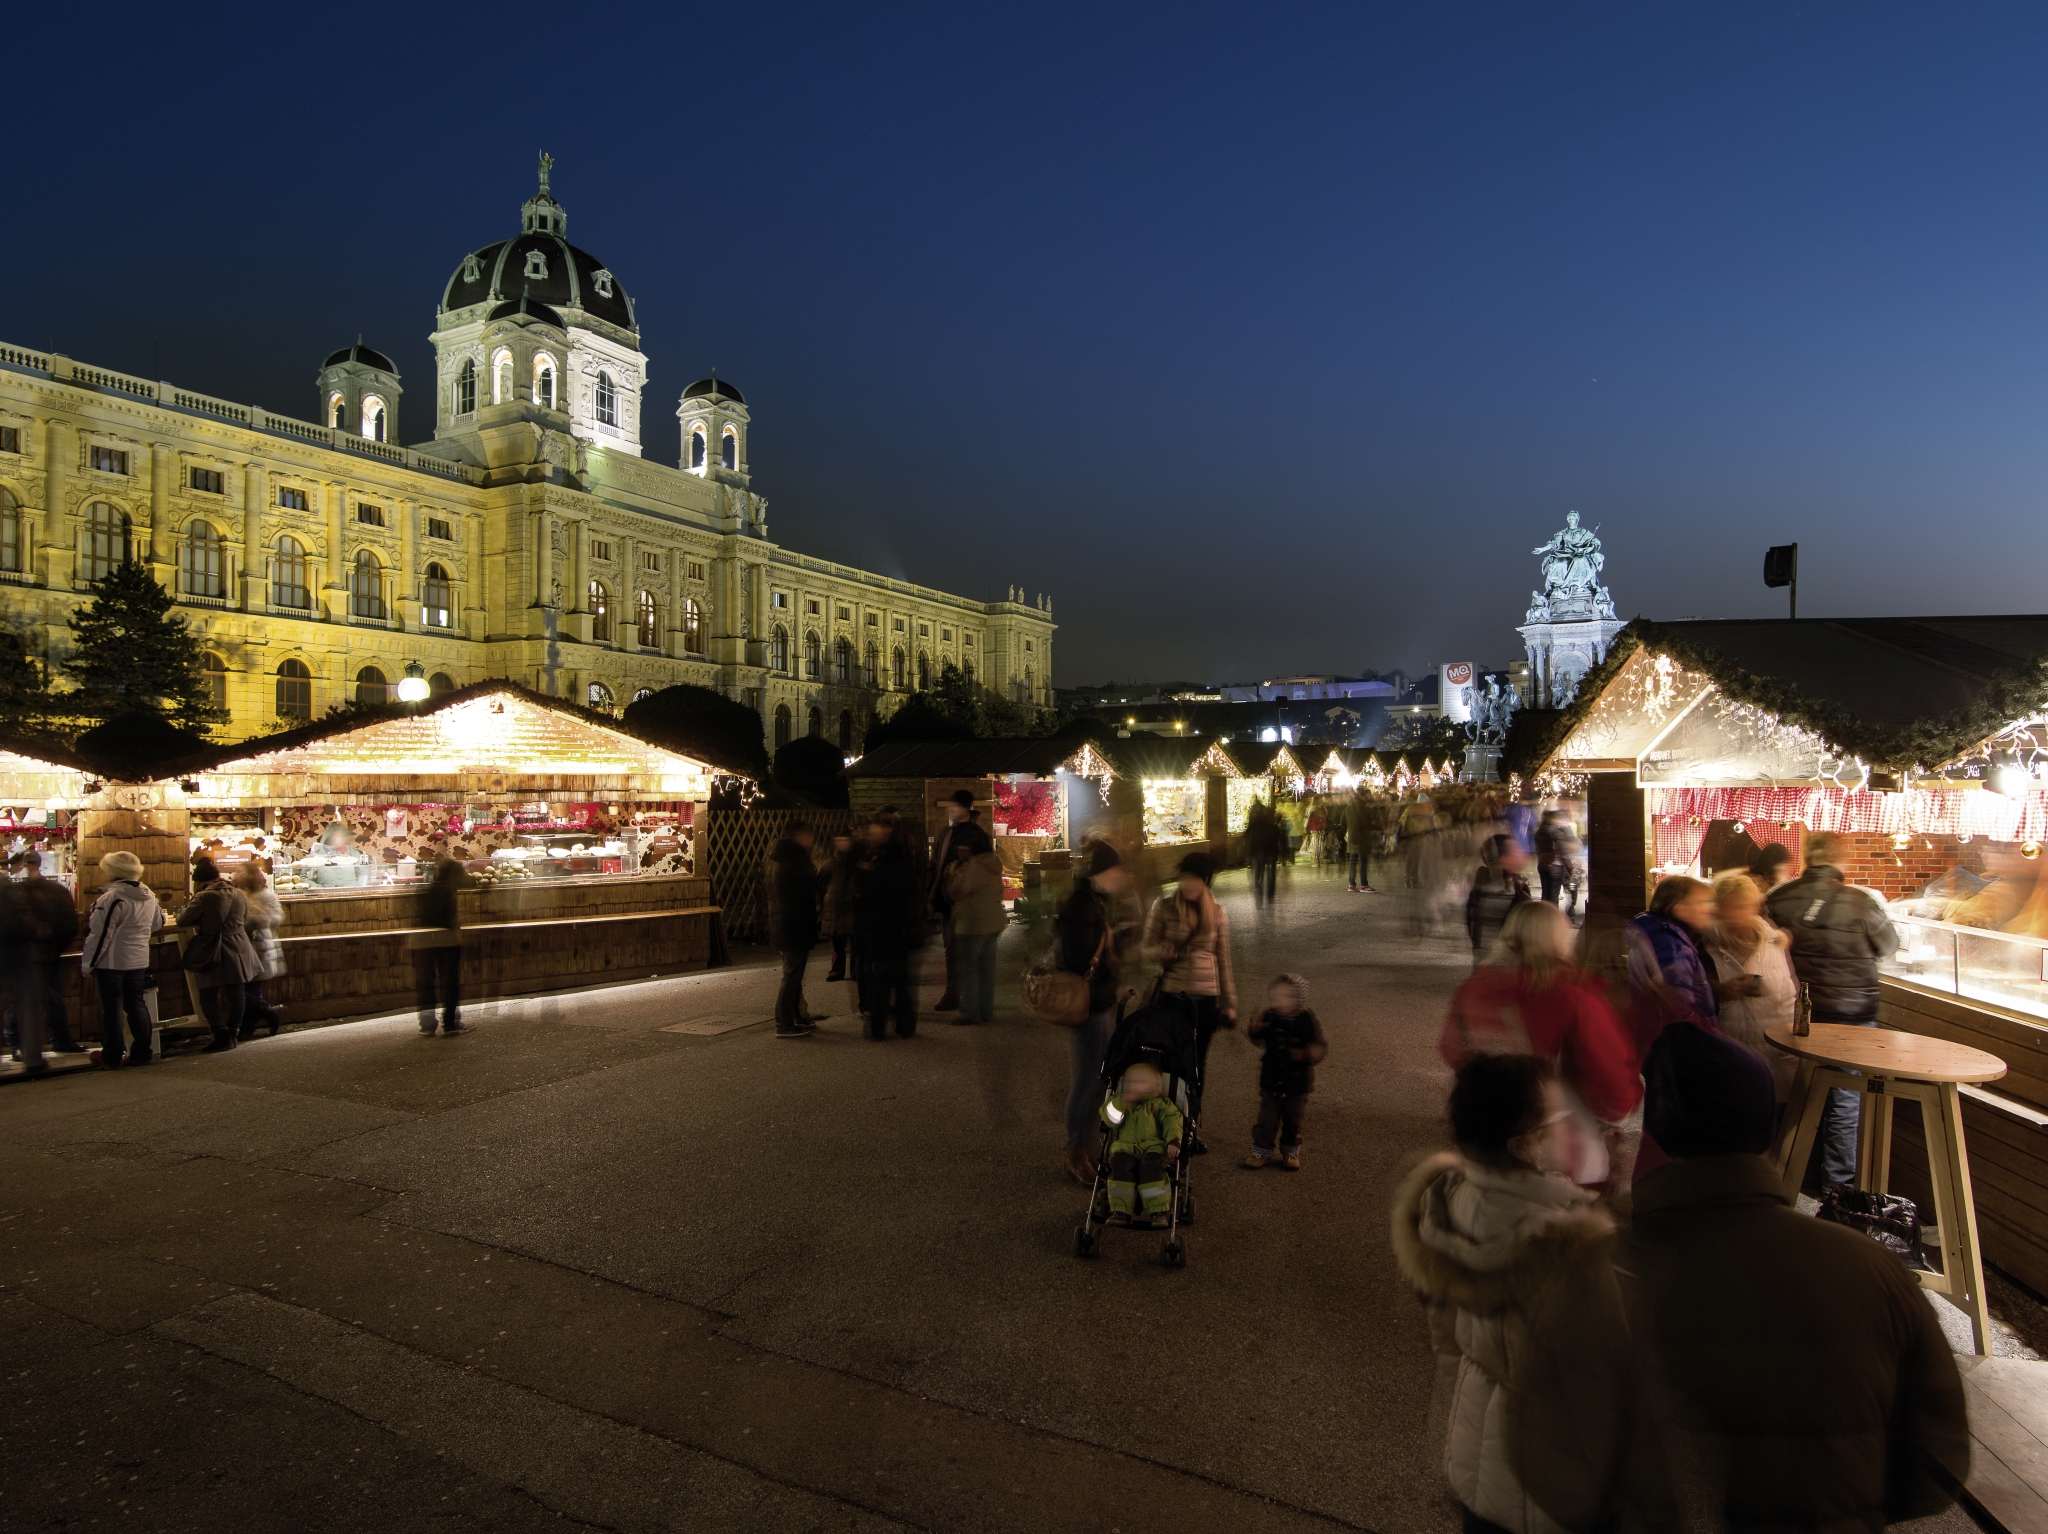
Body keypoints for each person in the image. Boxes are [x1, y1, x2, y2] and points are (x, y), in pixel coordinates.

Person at [1622, 1019, 1966, 1529]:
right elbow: (1939, 1457)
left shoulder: (1610, 1266)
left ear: (1663, 1128)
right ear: (1766, 1126)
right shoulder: (1874, 1269)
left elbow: (1553, 1458)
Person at [1391, 1054, 1616, 1534]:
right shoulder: (1567, 1241)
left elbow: (1447, 1341)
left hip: (1476, 1455)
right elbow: (1597, 1377)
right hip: (1549, 1475)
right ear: (1522, 1145)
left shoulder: (1446, 1204)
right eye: (1556, 1120)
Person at [1440, 899, 1642, 1186]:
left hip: (1488, 1126)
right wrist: (1615, 1113)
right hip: (1554, 1129)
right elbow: (1608, 1067)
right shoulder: (1573, 995)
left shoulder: (1474, 988)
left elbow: (1451, 1046)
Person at [1765, 831, 1899, 1186]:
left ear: (1807, 857)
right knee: (1844, 1099)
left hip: (1796, 1011)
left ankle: (1790, 1175)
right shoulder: (1861, 901)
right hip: (1850, 1016)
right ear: (1841, 859)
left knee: (1799, 1092)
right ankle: (1836, 1187)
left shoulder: (1778, 896)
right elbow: (1889, 944)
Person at [1142, 851, 1237, 1134]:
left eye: (1195, 879)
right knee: (1169, 1061)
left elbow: (1224, 960)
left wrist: (1230, 1002)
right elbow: (1143, 948)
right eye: (1185, 877)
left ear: (1205, 882)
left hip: (1206, 1000)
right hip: (1173, 996)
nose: (1188, 884)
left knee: (1196, 1065)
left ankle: (1191, 1125)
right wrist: (1158, 951)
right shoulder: (1164, 907)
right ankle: (1166, 1124)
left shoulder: (1216, 912)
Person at [1057, 841, 1130, 1183]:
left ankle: (1085, 1146)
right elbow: (1078, 956)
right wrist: (1112, 942)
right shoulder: (1080, 906)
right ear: (1102, 873)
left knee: (1100, 1076)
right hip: (1087, 1004)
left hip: (1100, 1001)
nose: (1122, 877)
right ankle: (1075, 1152)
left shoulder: (1094, 903)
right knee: (1087, 1078)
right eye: (1117, 871)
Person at [1701, 869, 1798, 1107]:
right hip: (1728, 1053)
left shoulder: (1773, 943)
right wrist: (1720, 992)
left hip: (1773, 1052)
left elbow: (1788, 996)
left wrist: (1789, 1048)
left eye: (1743, 906)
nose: (1736, 914)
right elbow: (1689, 999)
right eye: (1730, 907)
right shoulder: (1704, 945)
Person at [81, 851, 164, 1068]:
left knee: (113, 1009)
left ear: (112, 872)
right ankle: (142, 1051)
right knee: (136, 1004)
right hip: (138, 959)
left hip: (112, 962)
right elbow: (158, 923)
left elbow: (100, 935)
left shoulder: (112, 898)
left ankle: (111, 1055)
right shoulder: (148, 894)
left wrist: (88, 964)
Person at [1242, 974, 1326, 1171]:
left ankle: (1290, 1152)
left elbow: (1318, 1046)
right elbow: (1259, 1037)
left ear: (1298, 999)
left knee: (1293, 1121)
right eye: (1275, 997)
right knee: (1266, 1120)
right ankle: (1262, 1151)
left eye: (1285, 997)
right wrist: (1254, 1030)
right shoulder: (1270, 1016)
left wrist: (1307, 1053)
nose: (1279, 1002)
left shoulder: (1305, 1019)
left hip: (1296, 1084)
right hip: (1271, 1080)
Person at [176, 857, 259, 1053]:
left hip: (213, 947)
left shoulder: (204, 896)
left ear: (201, 882)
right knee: (236, 993)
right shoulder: (239, 894)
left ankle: (220, 1033)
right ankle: (233, 1032)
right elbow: (245, 920)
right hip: (239, 946)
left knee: (206, 995)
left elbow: (182, 920)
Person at [853, 813, 922, 1040]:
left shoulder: (879, 868)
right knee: (901, 981)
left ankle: (877, 1028)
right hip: (902, 927)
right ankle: (905, 1026)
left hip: (882, 929)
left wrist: (864, 877)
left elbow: (868, 899)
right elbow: (913, 892)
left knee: (881, 981)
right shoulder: (904, 865)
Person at [1625, 874, 1719, 1041]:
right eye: (1703, 903)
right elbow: (1679, 1012)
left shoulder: (1658, 937)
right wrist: (1713, 1040)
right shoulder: (1673, 948)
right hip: (1686, 1046)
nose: (1711, 909)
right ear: (1680, 910)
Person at [11, 852, 81, 1056]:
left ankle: (17, 1046)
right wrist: (56, 946)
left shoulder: (17, 891)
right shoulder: (56, 890)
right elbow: (70, 924)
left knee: (19, 1001)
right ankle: (60, 1040)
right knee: (53, 1000)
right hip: (49, 953)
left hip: (24, 955)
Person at [1099, 1061, 1184, 1228]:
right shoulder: (1119, 1102)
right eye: (1131, 1081)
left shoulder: (1162, 1104)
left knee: (1152, 1166)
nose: (1134, 1086)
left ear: (1155, 1087)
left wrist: (1173, 1141)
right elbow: (1110, 1120)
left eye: (1141, 1082)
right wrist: (1122, 1102)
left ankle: (1158, 1211)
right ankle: (1120, 1210)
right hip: (1125, 1146)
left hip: (1153, 1147)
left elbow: (1173, 1123)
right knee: (1118, 1164)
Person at [943, 820, 1003, 1025]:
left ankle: (970, 1012)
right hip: (993, 922)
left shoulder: (972, 868)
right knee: (987, 970)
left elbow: (955, 891)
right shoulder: (992, 863)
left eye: (961, 849)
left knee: (968, 970)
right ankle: (986, 1010)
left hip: (973, 923)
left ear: (968, 851)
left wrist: (951, 874)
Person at [766, 821, 820, 1039]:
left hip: (783, 922)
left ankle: (795, 1017)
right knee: (792, 974)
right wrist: (825, 869)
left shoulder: (777, 857)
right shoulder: (794, 858)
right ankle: (785, 1023)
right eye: (808, 835)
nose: (812, 839)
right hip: (794, 923)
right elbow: (812, 882)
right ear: (799, 836)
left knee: (793, 973)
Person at [928, 788, 979, 1011]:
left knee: (966, 949)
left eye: (954, 805)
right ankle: (953, 993)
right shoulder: (946, 833)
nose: (951, 809)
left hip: (966, 902)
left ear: (964, 808)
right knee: (950, 948)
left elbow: (980, 870)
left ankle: (966, 995)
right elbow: (934, 864)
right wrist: (932, 890)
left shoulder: (976, 836)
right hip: (945, 900)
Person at [411, 857, 469, 1036]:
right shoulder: (449, 890)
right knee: (449, 983)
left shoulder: (428, 889)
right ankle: (450, 1024)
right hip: (446, 940)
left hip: (421, 942)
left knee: (425, 984)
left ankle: (427, 1026)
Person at [233, 861, 286, 1039]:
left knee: (251, 987)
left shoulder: (265, 895)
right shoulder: (235, 894)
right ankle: (268, 1012)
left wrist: (256, 914)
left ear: (251, 874)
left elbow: (277, 918)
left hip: (259, 946)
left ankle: (247, 1028)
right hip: (240, 946)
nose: (236, 875)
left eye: (240, 871)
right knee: (241, 987)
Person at [1464, 833, 1530, 967]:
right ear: (1501, 858)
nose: (1519, 853)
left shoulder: (1514, 884)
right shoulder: (1499, 887)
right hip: (1499, 957)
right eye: (1513, 851)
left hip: (1493, 954)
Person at [821, 829, 858, 982]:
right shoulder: (831, 862)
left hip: (853, 906)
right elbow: (820, 883)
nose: (843, 843)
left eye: (846, 840)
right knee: (836, 943)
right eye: (840, 840)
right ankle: (837, 971)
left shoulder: (857, 862)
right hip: (834, 907)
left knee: (856, 943)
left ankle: (856, 971)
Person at [1533, 809, 1577, 907]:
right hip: (1555, 865)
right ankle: (1551, 919)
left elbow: (1537, 847)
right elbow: (1563, 852)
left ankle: (1543, 917)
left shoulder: (1540, 830)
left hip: (1542, 864)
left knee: (1545, 893)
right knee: (1553, 895)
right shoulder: (1557, 832)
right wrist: (1570, 868)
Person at [1244, 799, 1281, 908]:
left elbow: (1247, 836)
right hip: (1270, 849)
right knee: (1270, 871)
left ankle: (1259, 891)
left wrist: (1248, 851)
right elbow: (1277, 834)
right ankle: (1269, 893)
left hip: (1258, 849)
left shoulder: (1254, 823)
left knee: (1258, 871)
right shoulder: (1270, 822)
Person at [1345, 789, 1375, 892]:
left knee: (1352, 861)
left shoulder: (1348, 808)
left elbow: (1342, 822)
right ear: (1363, 796)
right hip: (1363, 838)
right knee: (1363, 861)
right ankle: (1364, 885)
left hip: (1352, 838)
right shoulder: (1365, 808)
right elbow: (1372, 821)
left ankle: (1351, 884)